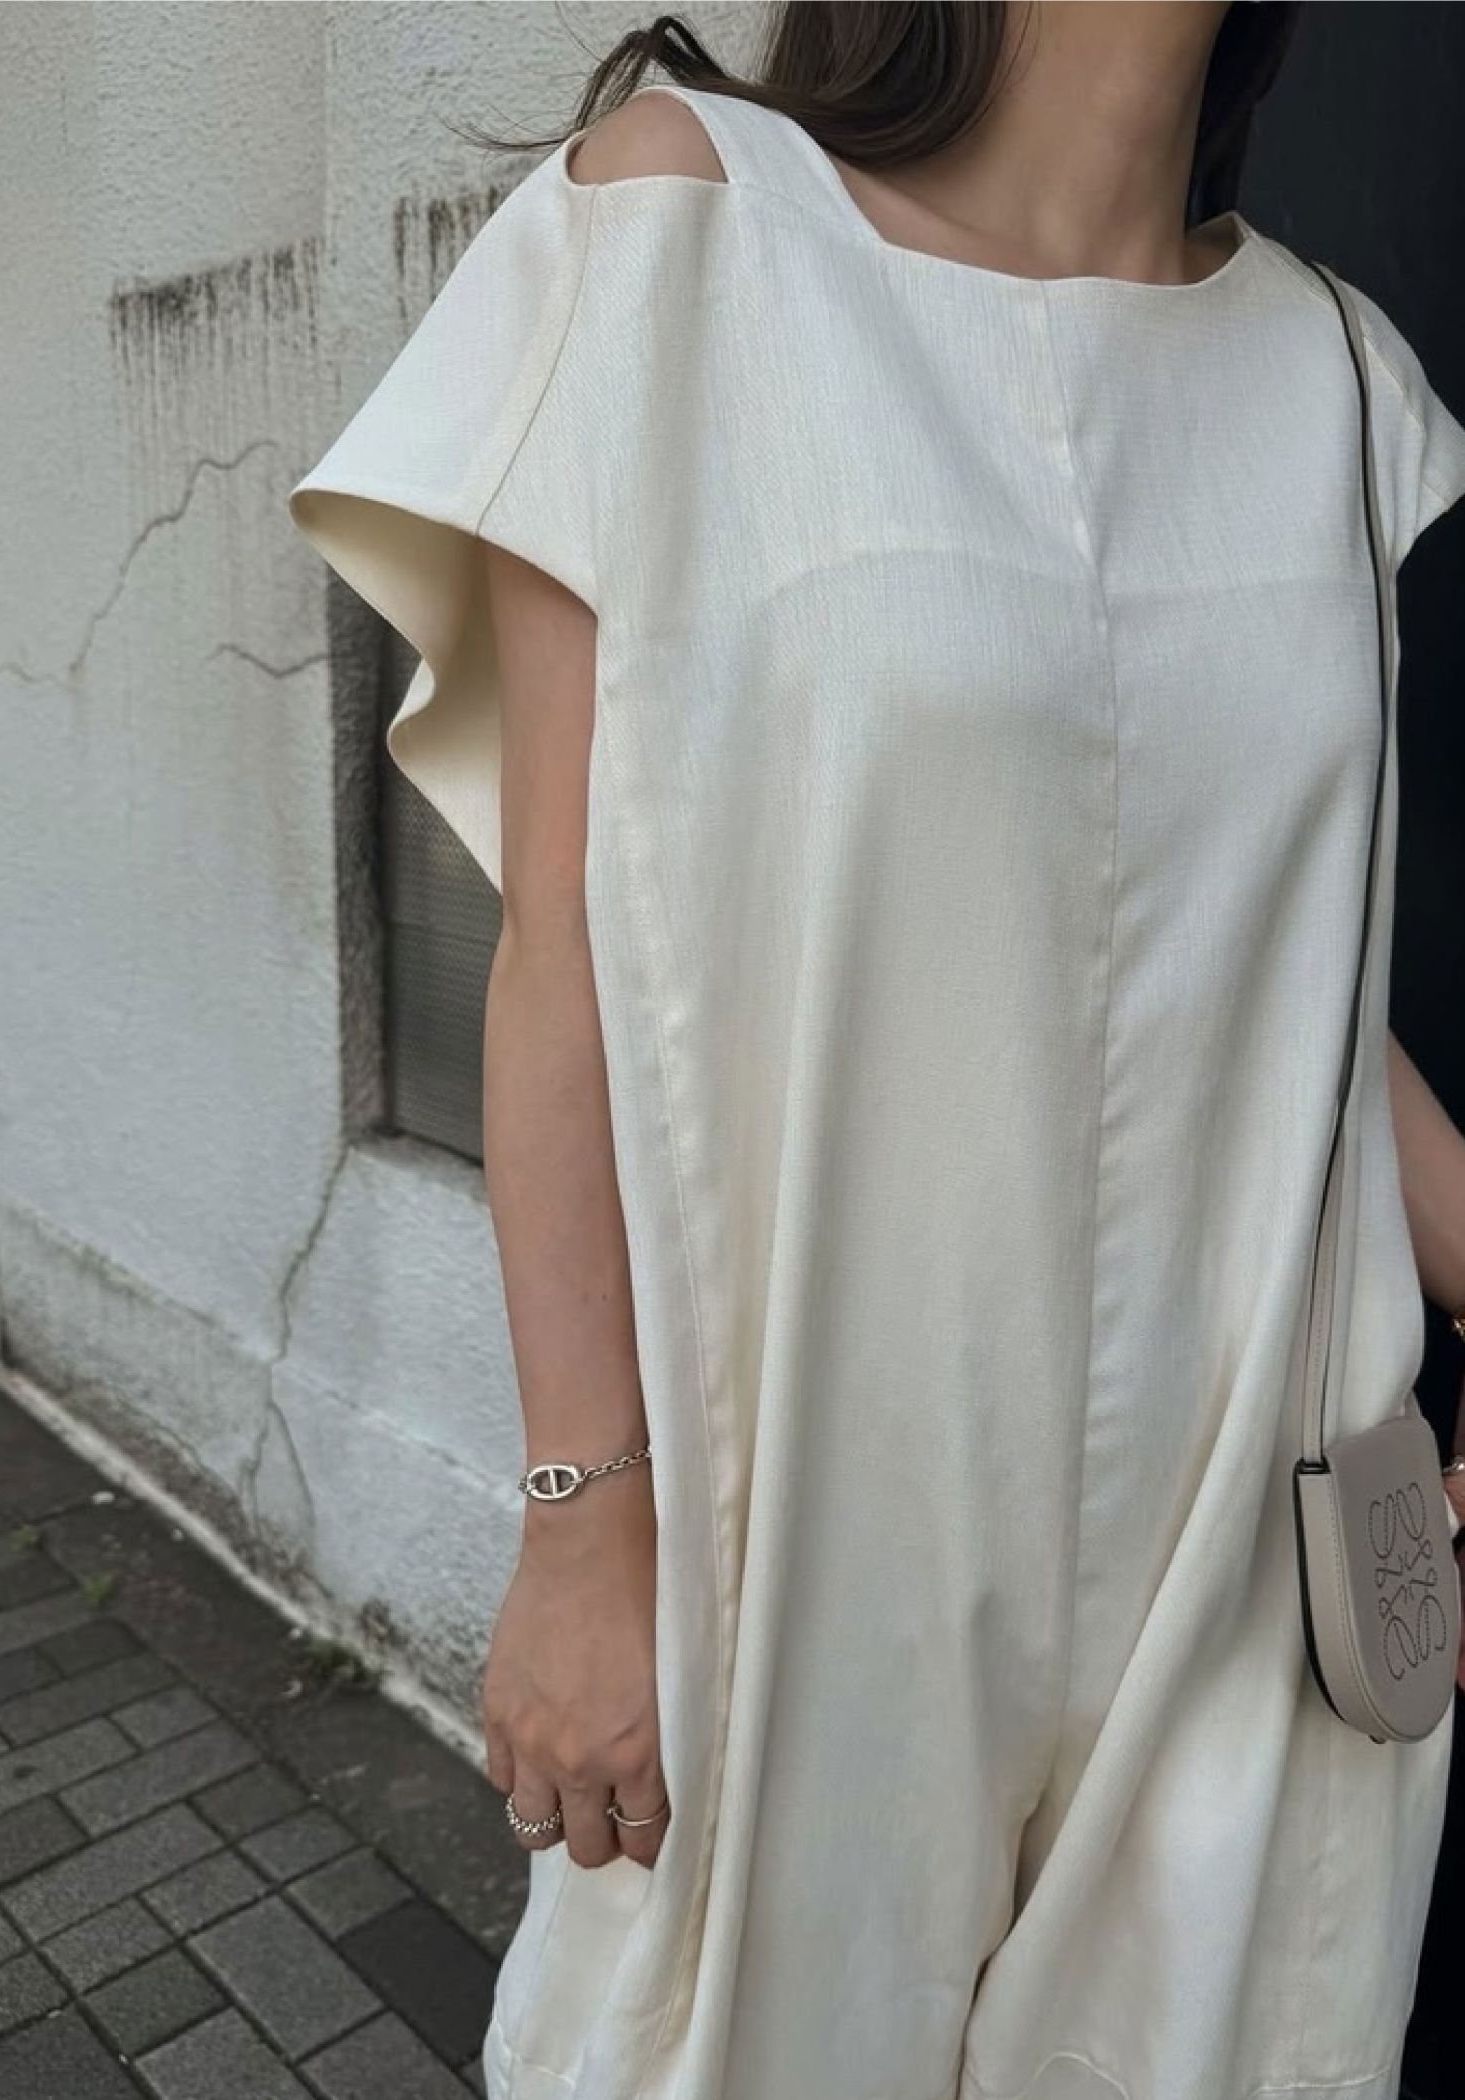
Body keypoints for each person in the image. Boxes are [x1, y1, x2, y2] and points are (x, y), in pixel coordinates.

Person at [287, 5, 1465, 2095]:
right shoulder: (686, 231)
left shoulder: (1340, 382)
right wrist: (581, 1528)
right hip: (811, 1543)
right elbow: (566, 942)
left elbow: (1296, 983)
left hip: (1242, 1574)